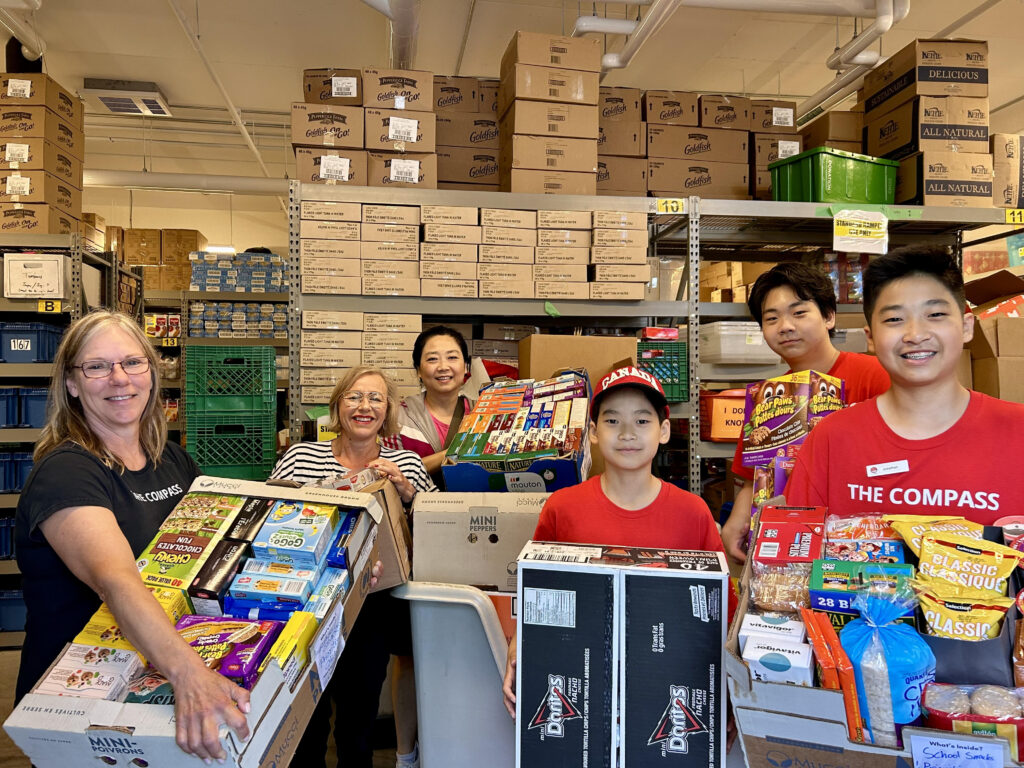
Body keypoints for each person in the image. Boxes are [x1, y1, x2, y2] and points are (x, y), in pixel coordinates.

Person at [14, 310, 248, 763]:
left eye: (132, 362)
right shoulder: (67, 472)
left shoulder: (173, 460)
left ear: (152, 372)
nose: (119, 378)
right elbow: (117, 581)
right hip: (84, 707)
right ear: (72, 384)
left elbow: (217, 556)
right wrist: (190, 675)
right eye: (97, 366)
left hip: (155, 680)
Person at [501, 365, 730, 719]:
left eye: (642, 420)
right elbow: (538, 593)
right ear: (593, 432)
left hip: (670, 689)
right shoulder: (563, 507)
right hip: (581, 685)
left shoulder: (693, 513)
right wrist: (518, 646)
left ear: (664, 431)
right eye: (612, 421)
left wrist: (728, 694)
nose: (627, 433)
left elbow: (723, 610)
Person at [786, 245, 1024, 523]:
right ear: (871, 338)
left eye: (935, 315)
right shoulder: (831, 439)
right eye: (894, 319)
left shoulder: (1017, 431)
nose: (915, 334)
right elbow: (792, 542)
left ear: (966, 326)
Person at [272, 366, 435, 768]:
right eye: (355, 397)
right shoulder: (301, 457)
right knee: (306, 719)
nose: (365, 406)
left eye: (375, 398)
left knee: (358, 719)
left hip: (371, 604)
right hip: (304, 602)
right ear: (337, 406)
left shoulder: (406, 462)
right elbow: (270, 515)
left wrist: (407, 492)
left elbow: (436, 530)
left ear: (388, 410)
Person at [720, 263, 891, 563]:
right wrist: (739, 519)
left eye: (799, 313)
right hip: (792, 542)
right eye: (771, 318)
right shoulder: (768, 396)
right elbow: (755, 476)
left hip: (863, 541)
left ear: (828, 316)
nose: (785, 326)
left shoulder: (876, 376)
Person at [397, 325, 476, 488]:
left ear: (466, 366)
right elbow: (392, 473)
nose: (443, 367)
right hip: (415, 503)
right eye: (432, 359)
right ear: (418, 370)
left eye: (452, 357)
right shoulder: (399, 417)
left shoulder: (484, 412)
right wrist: (452, 453)